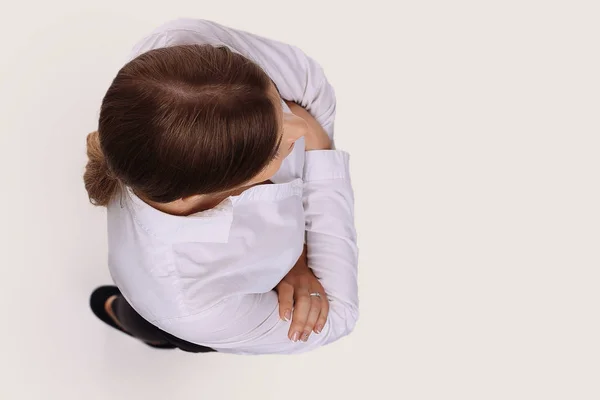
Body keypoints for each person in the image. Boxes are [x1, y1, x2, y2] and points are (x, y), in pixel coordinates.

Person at [86, 18, 358, 355]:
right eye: (276, 148)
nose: (301, 125)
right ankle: (132, 319)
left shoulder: (178, 48)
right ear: (203, 190)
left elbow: (311, 87)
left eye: (278, 101)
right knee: (166, 330)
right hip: (172, 311)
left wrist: (299, 262)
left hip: (191, 289)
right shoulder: (190, 303)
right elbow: (338, 314)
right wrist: (320, 152)